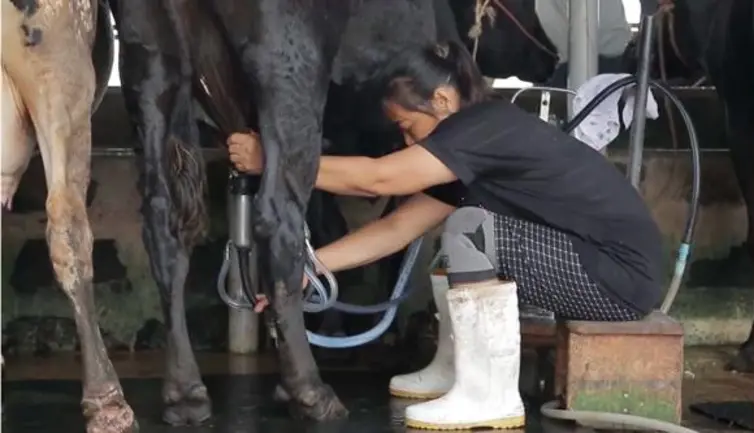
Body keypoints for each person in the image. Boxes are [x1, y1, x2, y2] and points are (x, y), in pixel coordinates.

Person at [227, 40, 664, 431]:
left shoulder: (480, 128)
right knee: (461, 232)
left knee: (469, 228)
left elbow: (376, 180)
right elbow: (397, 228)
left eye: (406, 127)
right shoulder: (473, 144)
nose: (405, 141)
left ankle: (488, 396)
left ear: (441, 100)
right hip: (605, 270)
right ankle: (459, 369)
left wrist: (276, 161)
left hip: (618, 279)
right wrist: (307, 268)